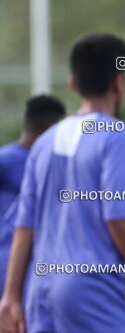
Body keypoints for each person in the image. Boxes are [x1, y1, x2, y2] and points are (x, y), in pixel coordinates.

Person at [0, 33, 125, 333]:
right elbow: (118, 218)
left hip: (39, 291)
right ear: (119, 83)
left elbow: (24, 225)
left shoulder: (44, 143)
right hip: (88, 289)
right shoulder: (118, 137)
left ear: (73, 83)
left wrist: (11, 296)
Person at [0, 95, 66, 297]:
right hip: (8, 265)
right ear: (49, 127)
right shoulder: (8, 160)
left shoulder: (53, 164)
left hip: (40, 268)